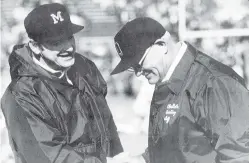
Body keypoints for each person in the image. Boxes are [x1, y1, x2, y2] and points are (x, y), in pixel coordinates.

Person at [111, 17, 249, 163]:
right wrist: (137, 160)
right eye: (133, 68)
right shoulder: (165, 81)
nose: (138, 73)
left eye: (139, 63)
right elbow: (172, 149)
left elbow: (240, 156)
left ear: (161, 44)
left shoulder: (213, 83)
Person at [1, 3, 123, 163]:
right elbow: (46, 156)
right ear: (35, 47)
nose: (68, 47)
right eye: (56, 42)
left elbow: (106, 124)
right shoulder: (21, 93)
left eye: (69, 37)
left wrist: (117, 156)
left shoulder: (85, 68)